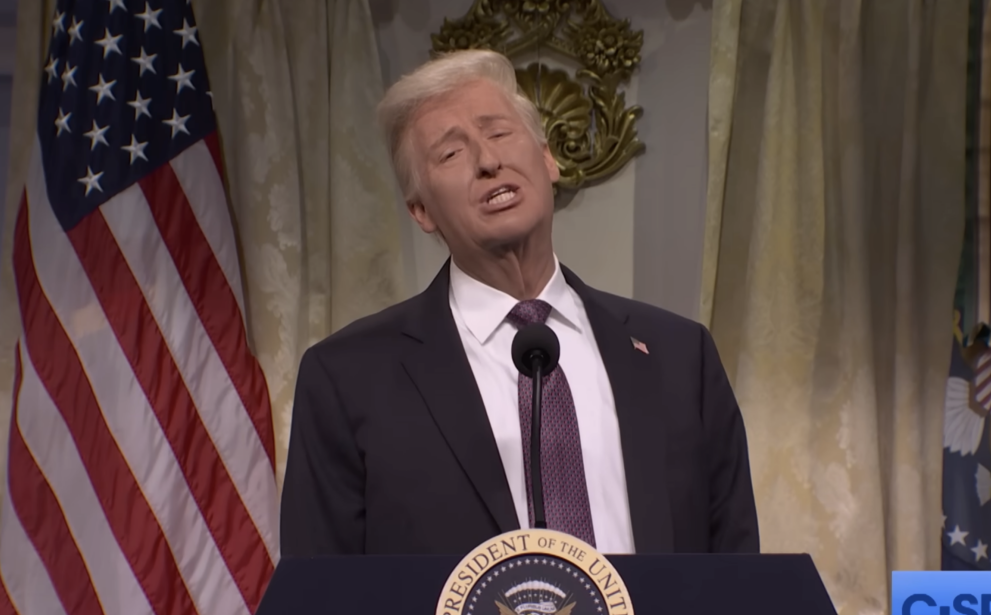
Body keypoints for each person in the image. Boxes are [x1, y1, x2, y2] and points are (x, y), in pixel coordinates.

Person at [279, 49, 758, 557]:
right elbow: (322, 591)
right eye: (451, 153)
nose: (488, 162)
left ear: (548, 159)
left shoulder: (680, 356)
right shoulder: (348, 378)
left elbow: (737, 571)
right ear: (421, 210)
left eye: (500, 133)